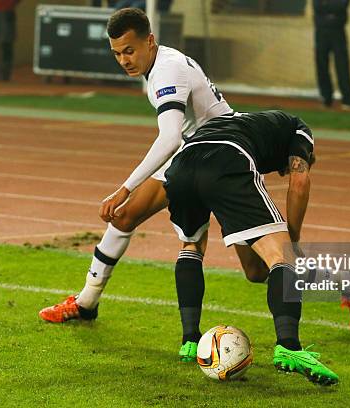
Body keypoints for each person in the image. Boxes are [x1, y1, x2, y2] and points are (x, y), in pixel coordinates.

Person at [38, 8, 234, 363]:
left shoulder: (166, 71)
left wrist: (125, 186)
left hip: (223, 157)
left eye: (129, 50)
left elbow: (170, 136)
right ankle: (86, 303)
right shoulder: (159, 65)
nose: (124, 60)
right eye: (117, 53)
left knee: (258, 265)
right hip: (192, 155)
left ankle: (347, 288)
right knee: (124, 217)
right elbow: (178, 139)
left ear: (149, 41)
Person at [163, 110, 342, 385]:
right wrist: (291, 243)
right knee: (283, 257)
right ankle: (290, 347)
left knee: (192, 245)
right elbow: (300, 181)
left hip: (181, 166)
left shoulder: (246, 124)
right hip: (227, 161)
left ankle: (189, 341)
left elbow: (254, 272)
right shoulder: (299, 130)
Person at [313, 0, 350, 109]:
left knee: (342, 65)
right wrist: (331, 12)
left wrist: (326, 7)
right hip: (321, 32)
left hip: (338, 32)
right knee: (321, 65)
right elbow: (317, 6)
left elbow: (341, 6)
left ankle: (347, 99)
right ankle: (326, 98)